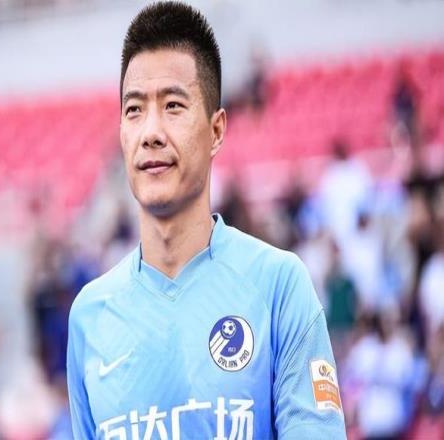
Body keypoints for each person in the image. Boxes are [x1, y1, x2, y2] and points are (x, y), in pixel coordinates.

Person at [67, 2, 346, 439]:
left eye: (173, 105)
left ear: (216, 131)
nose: (150, 132)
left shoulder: (278, 285)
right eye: (134, 110)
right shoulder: (90, 315)